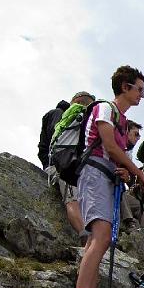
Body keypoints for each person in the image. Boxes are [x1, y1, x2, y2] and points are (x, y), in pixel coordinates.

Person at [67, 67, 144, 288]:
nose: (142, 96)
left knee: (98, 238)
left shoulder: (122, 120)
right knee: (101, 235)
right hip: (93, 173)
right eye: (139, 89)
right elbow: (111, 147)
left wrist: (124, 171)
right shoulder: (105, 108)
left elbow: (116, 155)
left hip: (105, 175)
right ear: (125, 87)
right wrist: (139, 174)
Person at [44, 91, 97, 242]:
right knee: (72, 200)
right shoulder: (70, 116)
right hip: (67, 165)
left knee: (74, 199)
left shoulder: (64, 117)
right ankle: (85, 235)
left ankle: (89, 235)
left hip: (64, 163)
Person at [120, 120, 144, 232]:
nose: (138, 138)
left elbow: (130, 181)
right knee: (119, 189)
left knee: (140, 206)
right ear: (126, 131)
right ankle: (129, 222)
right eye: (136, 134)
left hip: (119, 191)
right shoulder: (115, 145)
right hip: (105, 187)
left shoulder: (128, 153)